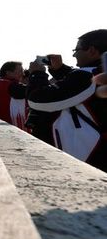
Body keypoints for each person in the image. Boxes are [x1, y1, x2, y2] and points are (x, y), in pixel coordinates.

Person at [26, 29, 106, 172]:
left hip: (90, 159)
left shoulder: (86, 77)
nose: (74, 54)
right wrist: (60, 69)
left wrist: (37, 74)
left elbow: (37, 101)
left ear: (92, 50)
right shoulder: (98, 73)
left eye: (77, 50)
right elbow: (78, 88)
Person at [0, 61, 28, 130]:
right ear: (8, 73)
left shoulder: (0, 84)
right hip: (13, 129)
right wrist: (37, 72)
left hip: (3, 128)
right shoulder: (10, 86)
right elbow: (36, 92)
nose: (23, 74)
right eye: (20, 71)